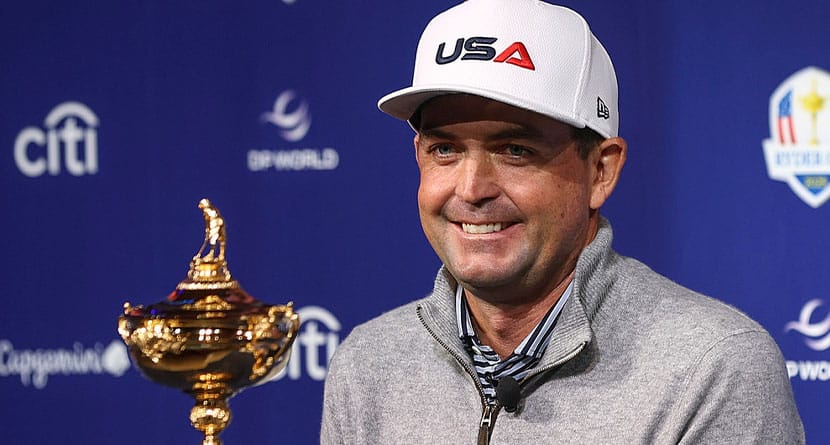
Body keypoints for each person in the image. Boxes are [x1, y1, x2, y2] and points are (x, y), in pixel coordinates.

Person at [321, 0, 805, 443]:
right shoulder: (367, 365)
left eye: (515, 150)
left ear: (601, 169)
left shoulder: (713, 368)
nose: (471, 189)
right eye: (444, 150)